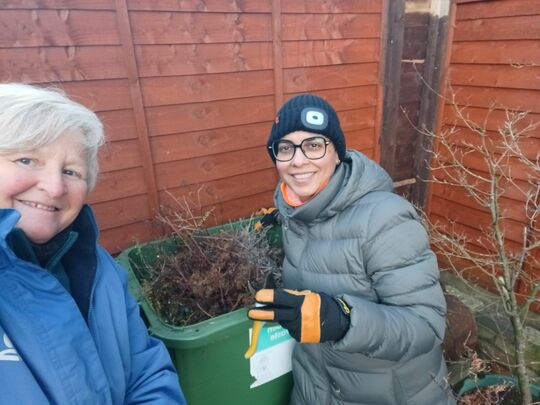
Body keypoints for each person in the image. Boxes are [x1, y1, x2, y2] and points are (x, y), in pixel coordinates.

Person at [248, 94, 453, 404]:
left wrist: (343, 320)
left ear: (336, 152)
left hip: (390, 394)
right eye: (285, 148)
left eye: (314, 145)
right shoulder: (294, 214)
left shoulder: (384, 219)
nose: (298, 160)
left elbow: (426, 324)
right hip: (315, 387)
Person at [0, 83, 186, 404]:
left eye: (71, 171)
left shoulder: (101, 273)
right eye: (27, 160)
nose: (55, 186)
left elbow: (146, 373)